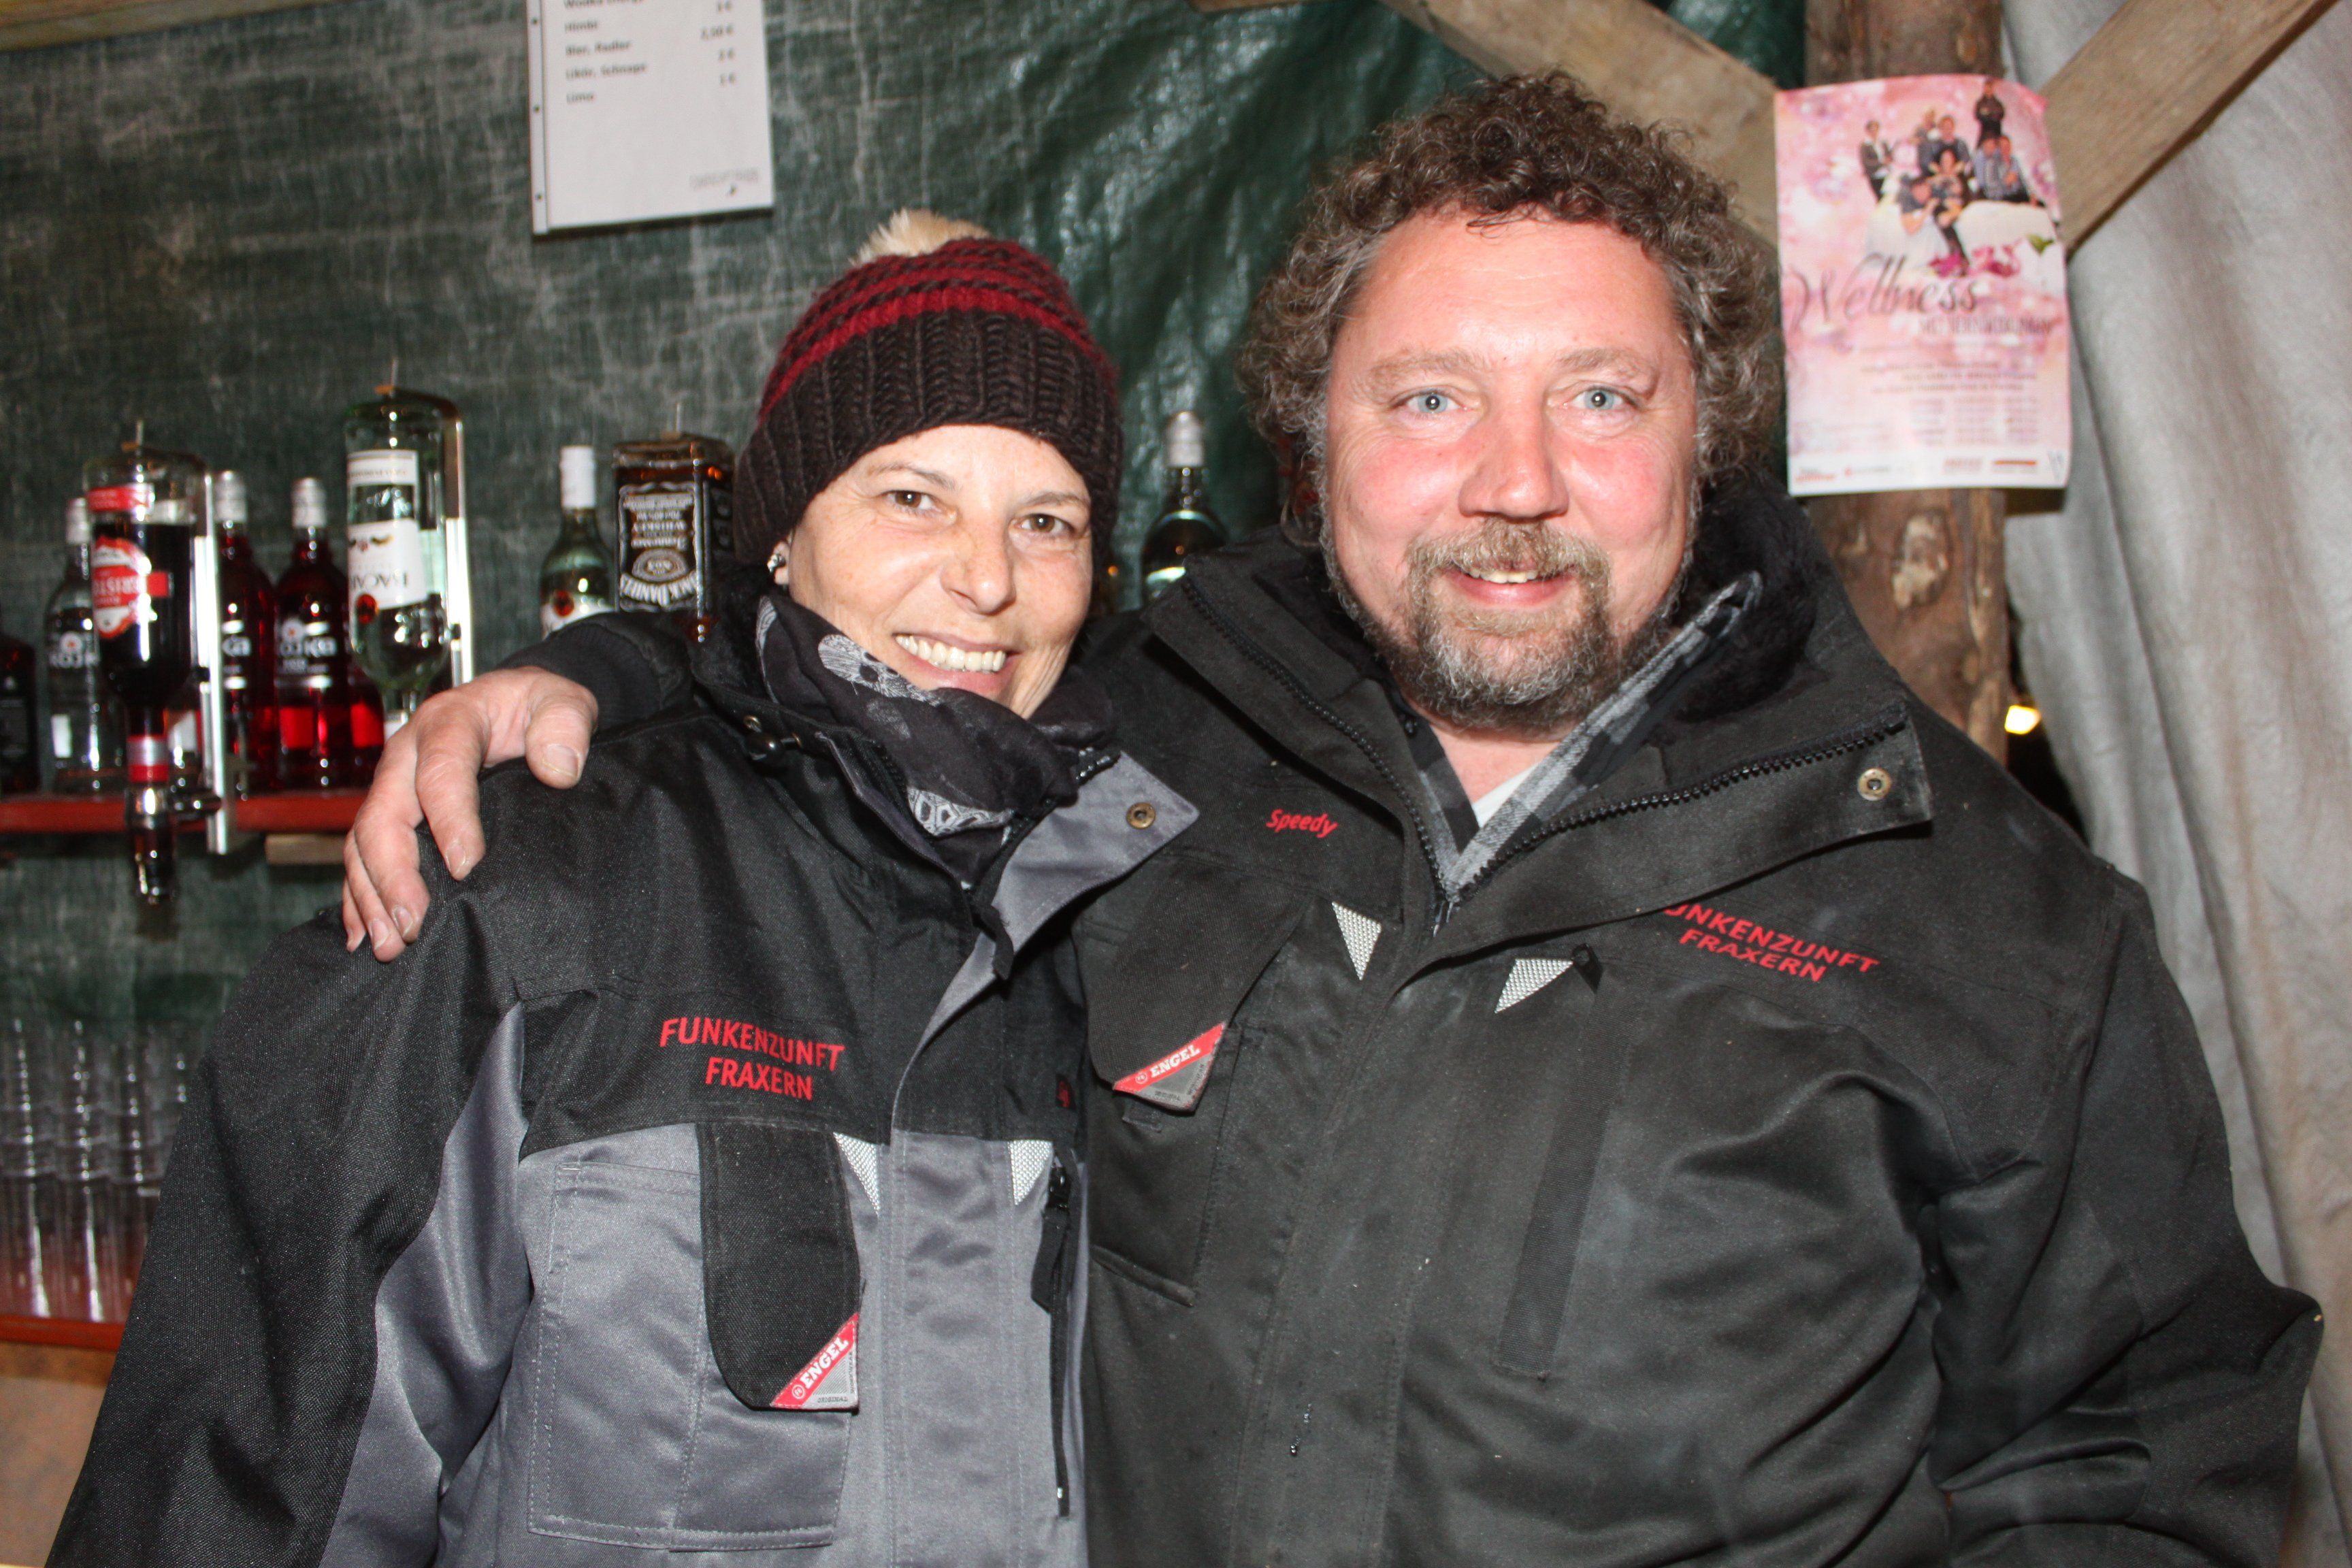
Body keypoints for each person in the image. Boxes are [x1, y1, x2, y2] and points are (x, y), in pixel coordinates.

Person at [343, 76, 2319, 1566]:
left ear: (1706, 436)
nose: (1515, 483)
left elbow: (2146, 1465)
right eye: (1431, 400)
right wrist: (606, 678)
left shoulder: (1986, 917)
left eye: (1602, 399)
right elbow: (891, 682)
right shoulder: (1162, 747)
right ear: (1314, 442)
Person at [52, 214, 1194, 1567]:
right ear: (782, 535)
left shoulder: (1137, 893)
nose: (988, 577)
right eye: (912, 496)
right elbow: (247, 1491)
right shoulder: (530, 882)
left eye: (1045, 519)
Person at [1975, 132, 2038, 203]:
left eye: (2007, 146)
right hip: (2003, 199)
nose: (2006, 149)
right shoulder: (1992, 165)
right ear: (1998, 149)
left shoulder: (2015, 161)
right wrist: (2005, 183)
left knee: (2039, 204)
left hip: (2019, 196)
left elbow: (2024, 181)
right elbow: (1989, 189)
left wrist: (2031, 195)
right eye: (2003, 147)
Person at [1858, 117, 1894, 198]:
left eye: (1876, 130)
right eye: (1871, 130)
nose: (1874, 132)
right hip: (1875, 175)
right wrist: (1881, 162)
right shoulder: (1865, 145)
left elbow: (1889, 154)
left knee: (1890, 196)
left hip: (1886, 173)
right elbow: (1866, 162)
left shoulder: (1883, 142)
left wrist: (1890, 158)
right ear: (1868, 131)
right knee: (1880, 198)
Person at [1976, 77, 2008, 148]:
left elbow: (2001, 114)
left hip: (1996, 131)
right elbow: (1978, 115)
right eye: (1986, 88)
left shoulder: (1998, 103)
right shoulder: (1980, 103)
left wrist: (1988, 113)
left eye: (1989, 88)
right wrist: (1991, 114)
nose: (1988, 90)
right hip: (1985, 131)